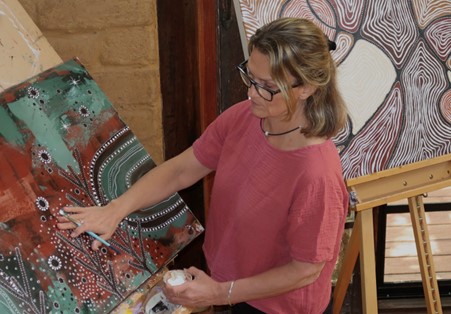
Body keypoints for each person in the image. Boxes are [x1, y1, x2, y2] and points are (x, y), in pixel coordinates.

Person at [57, 17, 349, 314]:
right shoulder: (244, 118)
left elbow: (305, 270)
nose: (251, 93)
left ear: (306, 88)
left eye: (268, 87)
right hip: (231, 285)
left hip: (278, 306)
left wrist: (222, 293)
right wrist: (115, 210)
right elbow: (181, 171)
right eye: (250, 77)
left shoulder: (317, 175)